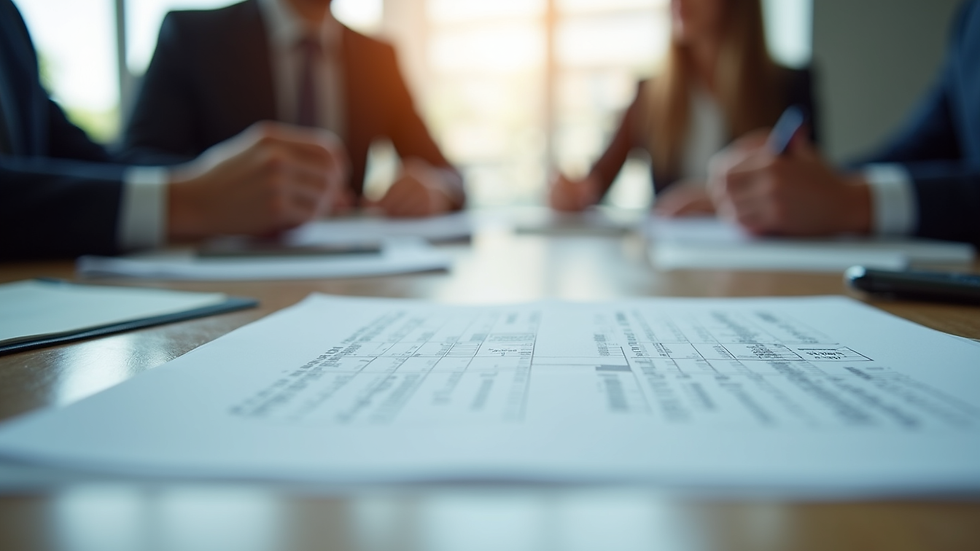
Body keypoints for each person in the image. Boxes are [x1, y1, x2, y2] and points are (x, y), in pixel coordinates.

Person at [0, 0, 347, 261]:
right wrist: (189, 200)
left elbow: (83, 156)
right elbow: (139, 151)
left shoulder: (8, 18)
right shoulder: (193, 31)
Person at [121, 0, 463, 218]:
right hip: (224, 269)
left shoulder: (378, 58)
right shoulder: (191, 36)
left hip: (350, 274)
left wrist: (436, 189)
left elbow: (447, 173)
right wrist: (221, 190)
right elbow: (135, 159)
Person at [709, 0, 980, 247]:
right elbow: (921, 148)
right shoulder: (971, 17)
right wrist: (781, 188)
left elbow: (851, 195)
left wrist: (856, 202)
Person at [549, 0, 816, 216]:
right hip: (669, 270)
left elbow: (812, 190)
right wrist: (573, 193)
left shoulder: (787, 87)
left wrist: (717, 199)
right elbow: (595, 184)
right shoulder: (650, 95)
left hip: (760, 266)